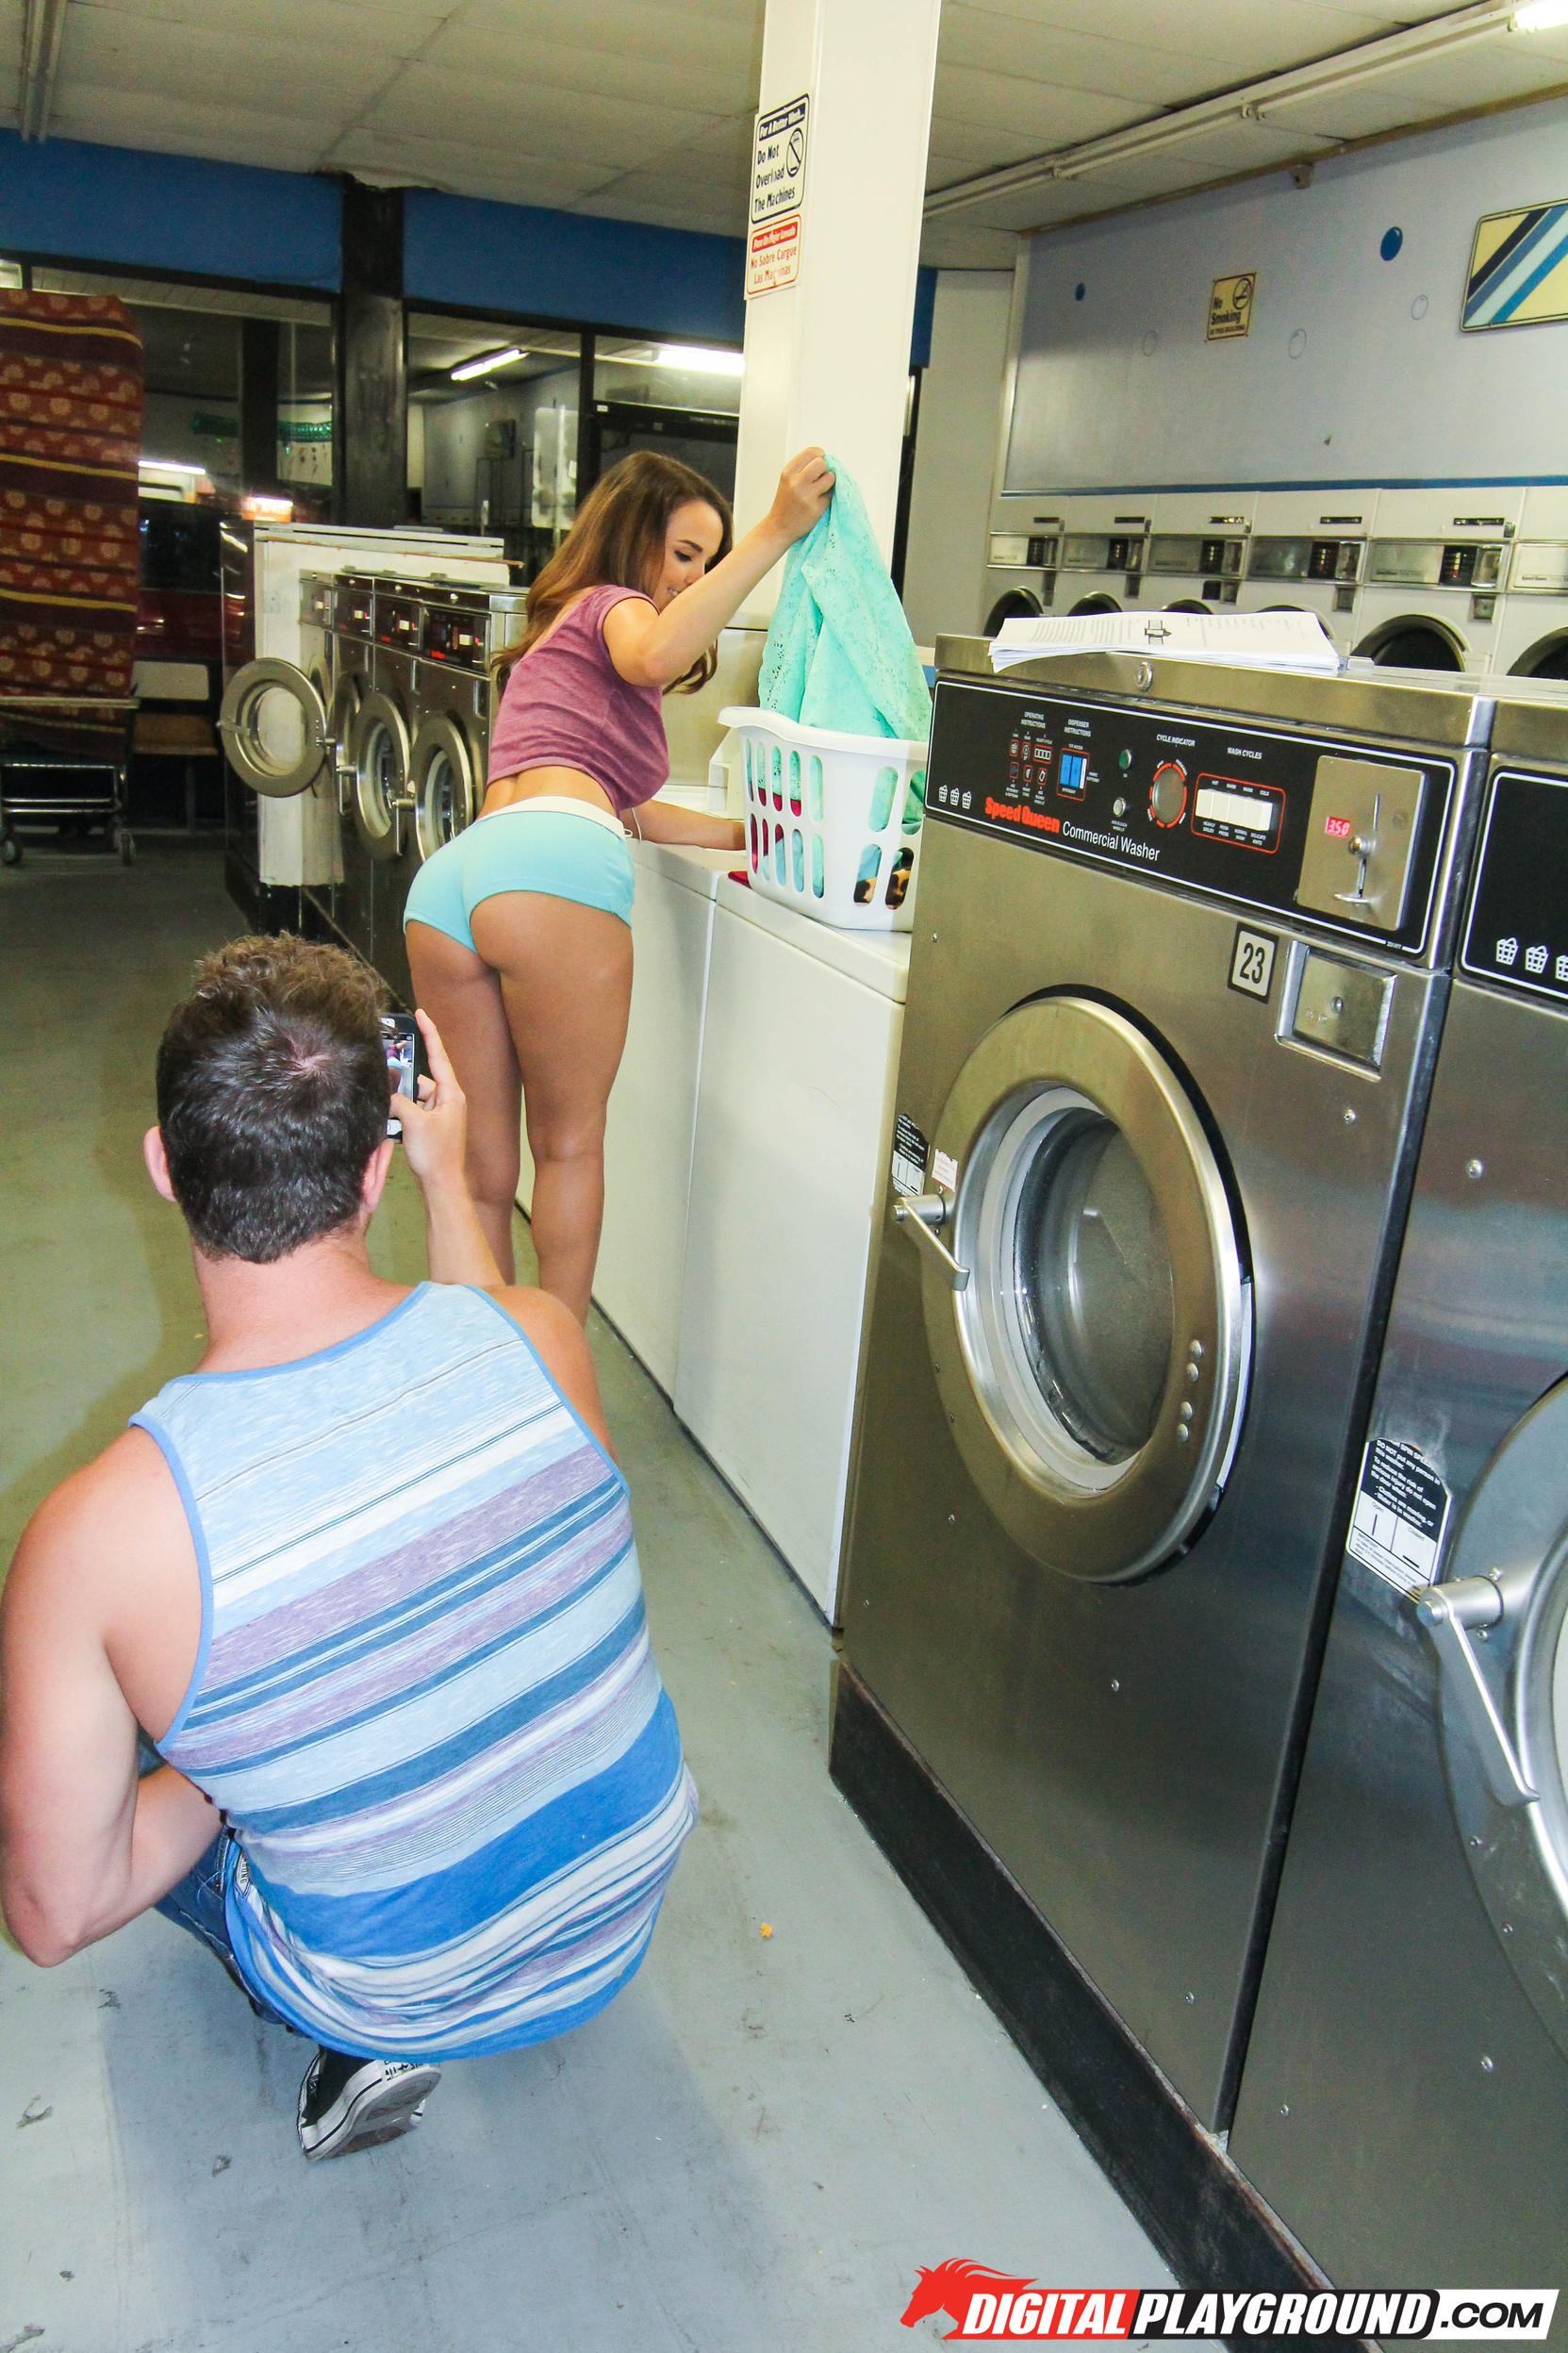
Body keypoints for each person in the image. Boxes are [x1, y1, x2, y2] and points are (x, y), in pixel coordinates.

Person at [0, 936, 697, 2162]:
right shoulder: (541, 1338)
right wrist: (449, 1176)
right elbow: (477, 1322)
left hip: (395, 1988)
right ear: (376, 1167)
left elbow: (55, 1915)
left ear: (162, 1165)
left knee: (105, 1702)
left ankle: (348, 2021)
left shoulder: (99, 1536)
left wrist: (234, 1756)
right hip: (616, 1914)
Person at [404, 444, 835, 1318]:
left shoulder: (553, 641)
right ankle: (560, 1364)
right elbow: (654, 656)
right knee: (567, 1149)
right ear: (633, 539)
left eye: (706, 562)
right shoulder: (614, 606)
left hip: (454, 882)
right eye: (685, 554)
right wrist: (775, 530)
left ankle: (481, 1368)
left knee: (480, 1172)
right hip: (549, 871)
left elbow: (625, 807)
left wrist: (751, 833)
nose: (693, 578)